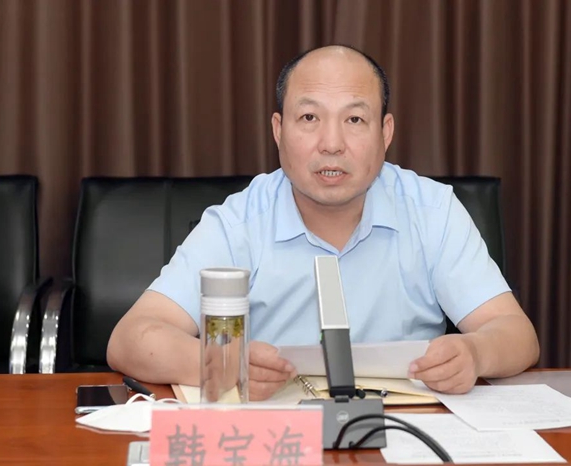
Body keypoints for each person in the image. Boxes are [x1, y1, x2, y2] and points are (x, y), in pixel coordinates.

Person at [107, 45, 539, 401]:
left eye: (355, 119)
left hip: (407, 432)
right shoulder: (239, 222)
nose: (332, 144)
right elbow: (130, 338)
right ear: (278, 130)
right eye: (309, 118)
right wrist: (222, 364)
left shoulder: (431, 210)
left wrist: (476, 353)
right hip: (279, 440)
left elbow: (517, 334)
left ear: (386, 132)